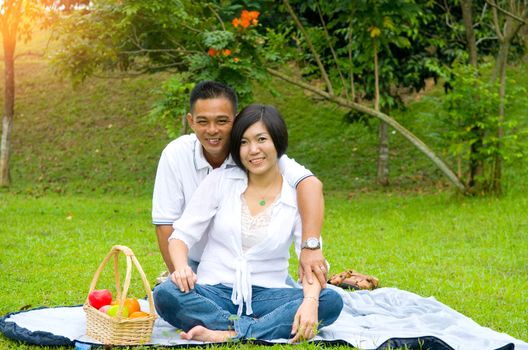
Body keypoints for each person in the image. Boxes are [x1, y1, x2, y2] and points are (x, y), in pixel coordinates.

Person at [153, 104, 343, 342]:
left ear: (277, 141)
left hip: (268, 296)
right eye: (244, 142)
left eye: (261, 139)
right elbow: (181, 235)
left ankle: (229, 334)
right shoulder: (221, 180)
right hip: (215, 291)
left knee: (330, 301)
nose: (253, 150)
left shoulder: (296, 195)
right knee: (165, 293)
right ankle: (252, 330)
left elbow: (312, 264)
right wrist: (181, 267)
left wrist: (310, 301)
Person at [152, 81, 328, 286]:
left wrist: (310, 246)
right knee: (170, 295)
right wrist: (182, 280)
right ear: (191, 121)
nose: (212, 130)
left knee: (321, 299)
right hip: (193, 262)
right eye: (202, 121)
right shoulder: (176, 155)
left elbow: (310, 184)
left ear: (235, 121)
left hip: (254, 270)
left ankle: (252, 312)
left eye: (221, 121)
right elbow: (165, 226)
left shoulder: (256, 157)